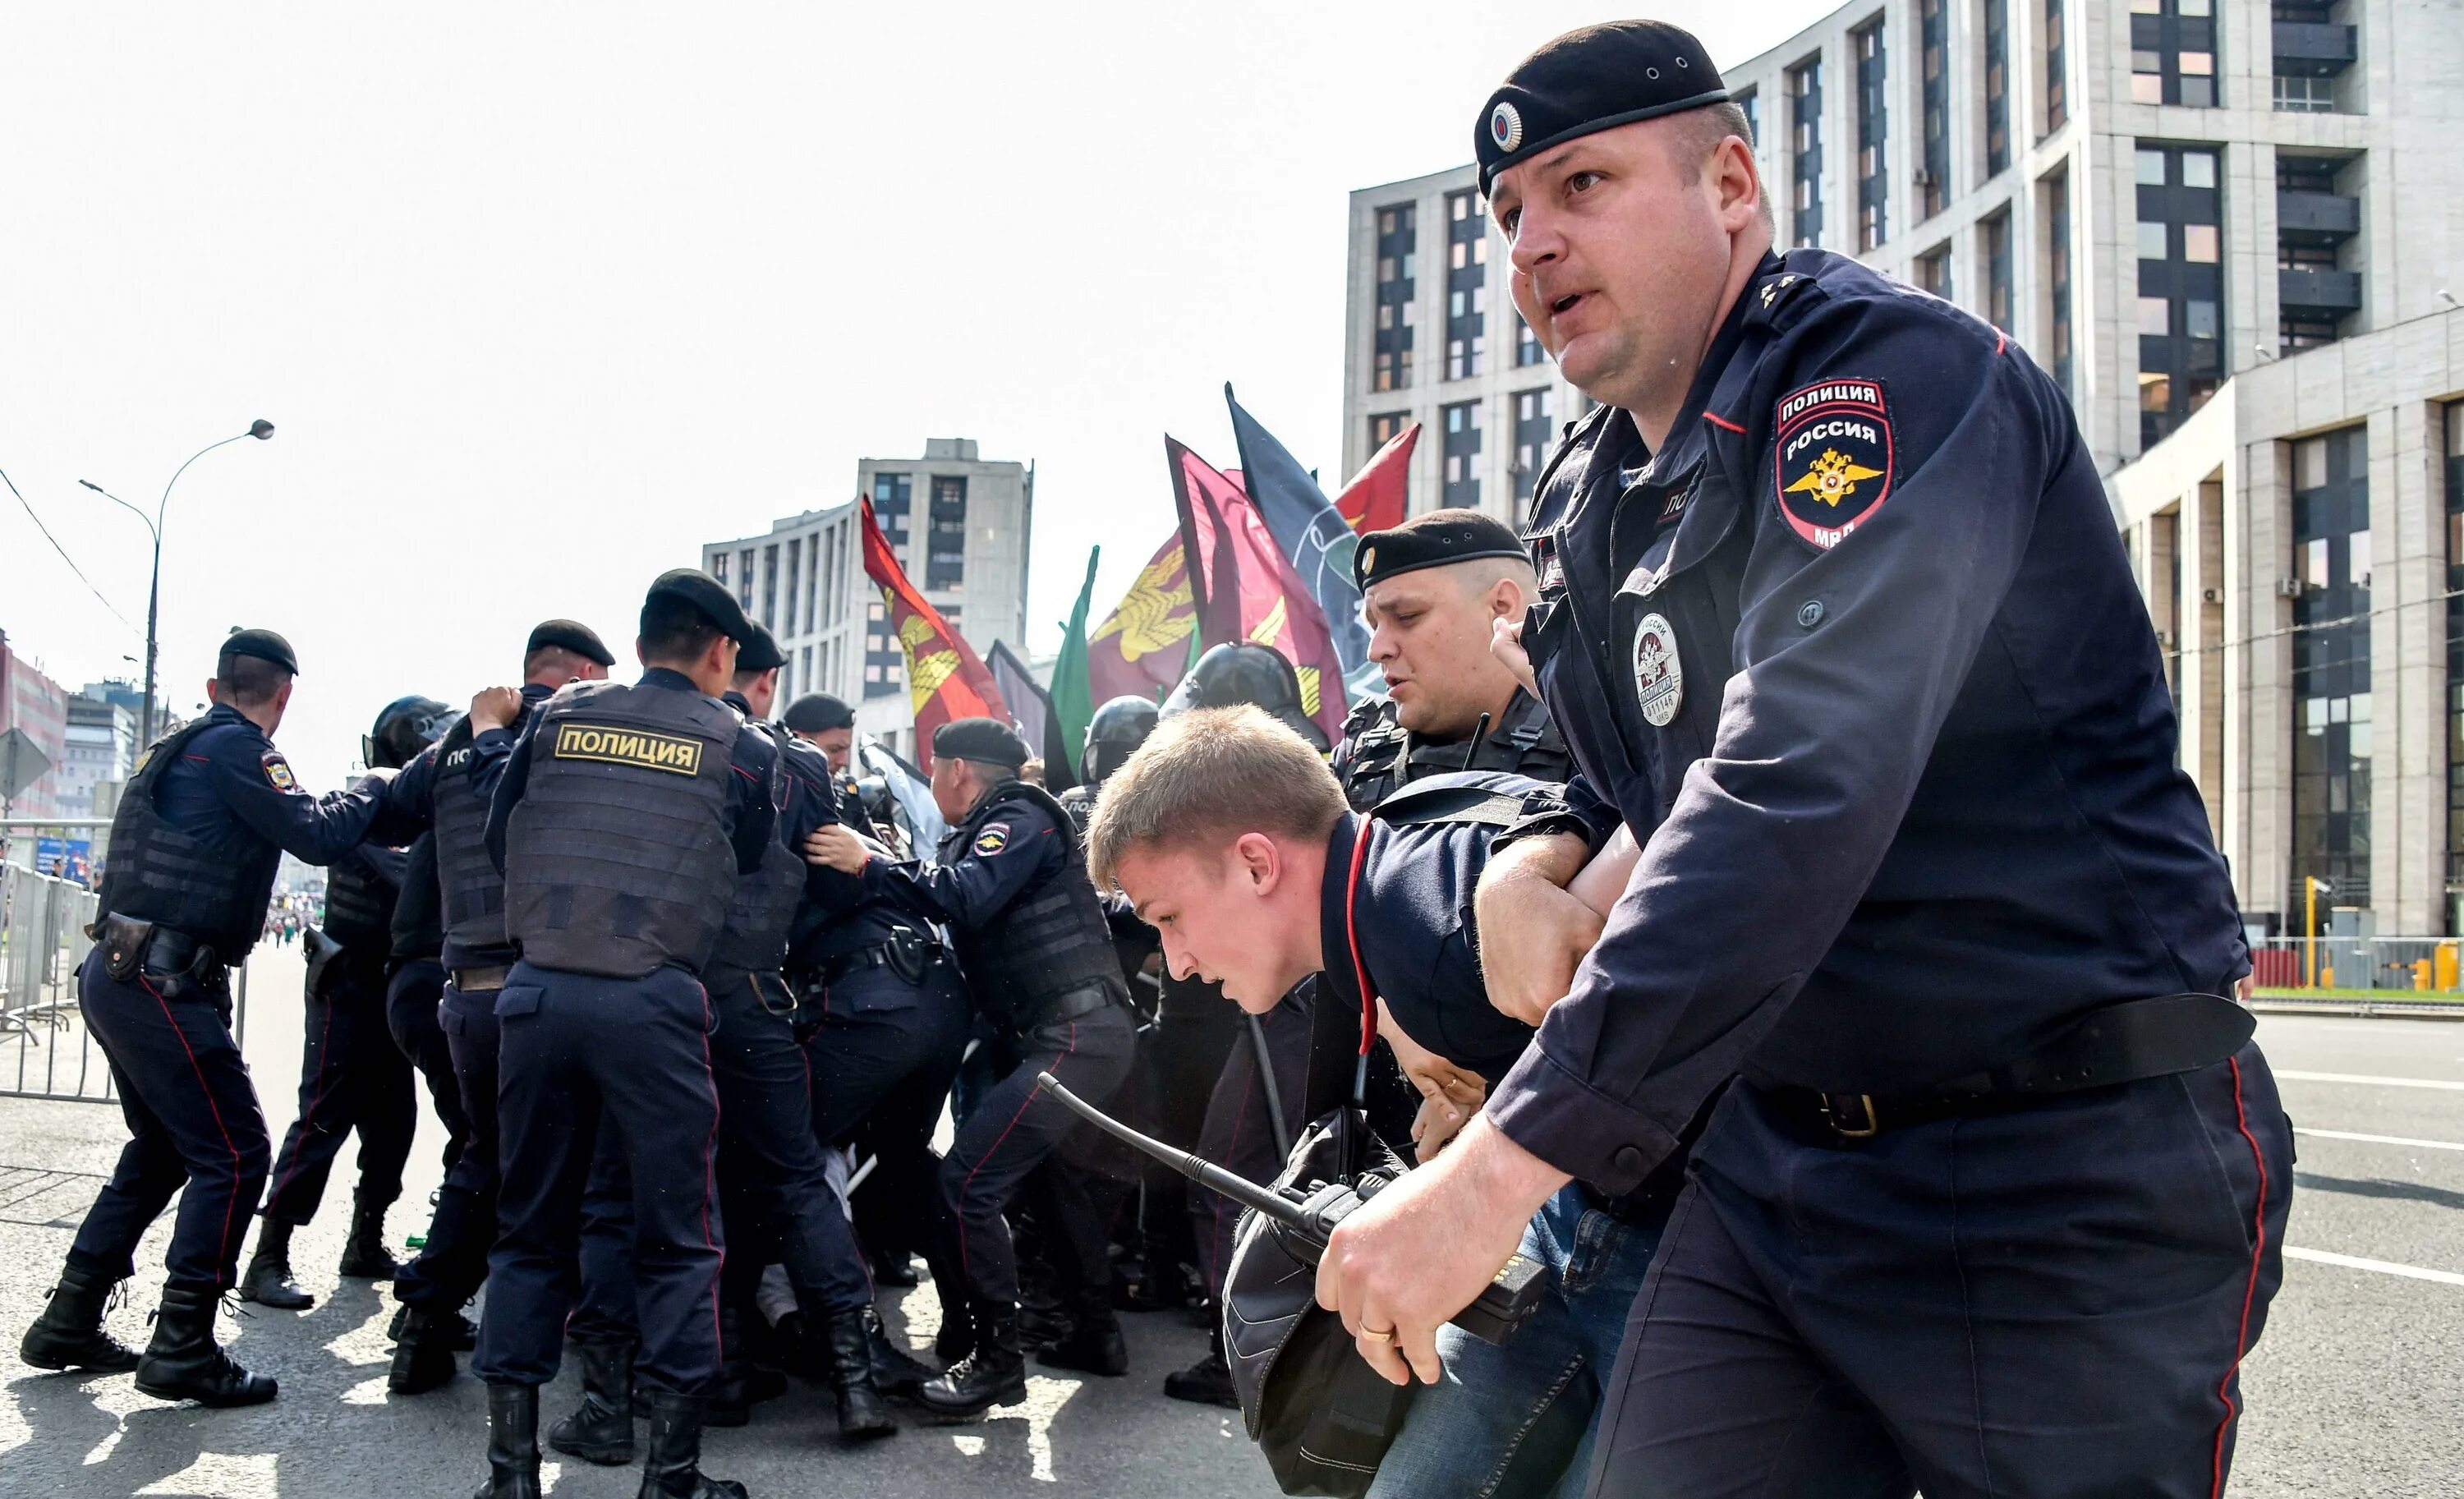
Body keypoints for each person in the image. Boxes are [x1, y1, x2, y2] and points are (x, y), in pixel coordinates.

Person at [1315, 22, 2292, 1498]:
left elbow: (1795, 776)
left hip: (2057, 1162)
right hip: (1777, 1174)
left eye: (1583, 184)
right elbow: (1632, 772)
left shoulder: (1877, 379)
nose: (1533, 243)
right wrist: (1539, 857)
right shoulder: (1593, 494)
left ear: (1731, 184)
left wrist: (1502, 1164)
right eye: (1510, 212)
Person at [1088, 706, 1643, 1496]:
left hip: (1672, 1244)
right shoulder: (1391, 867)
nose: (1175, 964)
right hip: (1580, 1225)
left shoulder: (1430, 941)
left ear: (1255, 862)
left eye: (1170, 918)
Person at [18, 630, 421, 1406]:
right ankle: (183, 1345)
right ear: (285, 696)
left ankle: (68, 1317)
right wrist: (375, 785)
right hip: (162, 982)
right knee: (237, 1153)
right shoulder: (241, 750)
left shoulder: (179, 745)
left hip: (122, 974)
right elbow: (317, 830)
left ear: (213, 684)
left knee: (167, 1148)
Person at [467, 571, 774, 1499]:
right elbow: (747, 859)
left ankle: (511, 1479)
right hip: (653, 1003)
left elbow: (498, 835)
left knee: (527, 1234)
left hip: (537, 995)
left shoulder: (555, 720)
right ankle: (669, 1480)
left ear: (641, 644)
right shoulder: (739, 743)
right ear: (722, 653)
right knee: (680, 1236)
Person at [804, 717, 1137, 1420]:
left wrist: (868, 861)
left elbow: (959, 894)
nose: (932, 785)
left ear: (956, 770)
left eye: (933, 772)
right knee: (1050, 1189)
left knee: (969, 1181)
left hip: (1075, 1035)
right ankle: (1091, 1335)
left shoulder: (1016, 818)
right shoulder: (1004, 823)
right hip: (1073, 1033)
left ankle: (997, 1363)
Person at [388, 618, 614, 1396]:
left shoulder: (451, 740)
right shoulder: (567, 730)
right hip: (538, 993)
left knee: (485, 1158)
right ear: (583, 669)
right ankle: (580, 1365)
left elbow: (384, 817)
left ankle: (422, 1327)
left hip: (466, 999)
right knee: (566, 1173)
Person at [240, 694, 450, 1310]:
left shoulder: (426, 809)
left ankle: (366, 1240)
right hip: (350, 986)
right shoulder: (375, 795)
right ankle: (268, 1256)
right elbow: (399, 872)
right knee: (323, 1118)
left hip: (393, 987)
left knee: (395, 1125)